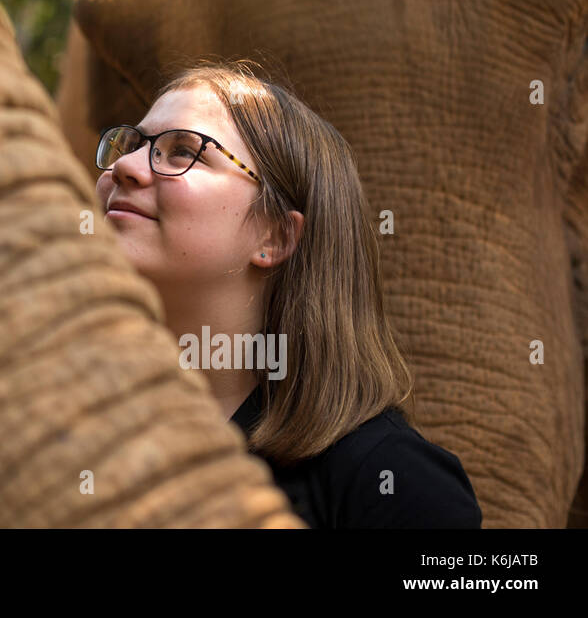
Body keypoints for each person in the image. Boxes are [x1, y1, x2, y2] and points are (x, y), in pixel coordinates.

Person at [94, 61, 482, 528]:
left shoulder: (391, 482)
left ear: (274, 236)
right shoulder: (74, 440)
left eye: (182, 152)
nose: (125, 168)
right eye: (132, 145)